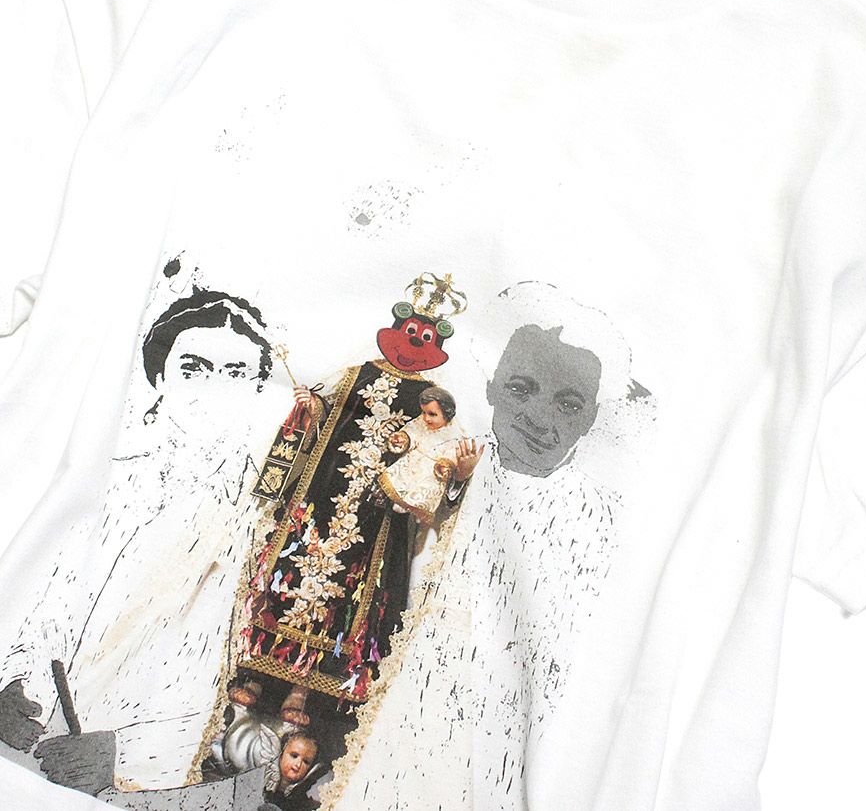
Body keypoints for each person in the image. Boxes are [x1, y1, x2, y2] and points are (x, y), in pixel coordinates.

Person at [329, 282, 652, 811]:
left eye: (568, 404)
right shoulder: (450, 456)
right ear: (493, 387)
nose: (539, 418)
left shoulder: (602, 519)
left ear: (590, 419)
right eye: (522, 390)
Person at [0, 282, 275, 794]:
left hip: (122, 773)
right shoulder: (108, 477)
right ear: (160, 376)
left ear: (260, 387)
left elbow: (205, 669)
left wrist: (120, 754)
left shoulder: (255, 522)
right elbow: (45, 595)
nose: (212, 388)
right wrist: (10, 679)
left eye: (235, 373)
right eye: (194, 369)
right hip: (24, 738)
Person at [218, 275, 484, 776]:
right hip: (321, 496)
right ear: (396, 329)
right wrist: (312, 406)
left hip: (377, 518)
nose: (414, 342)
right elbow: (327, 415)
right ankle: (257, 672)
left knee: (345, 599)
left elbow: (440, 467)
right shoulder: (357, 373)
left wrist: (458, 475)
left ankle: (302, 689)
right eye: (411, 331)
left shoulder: (434, 403)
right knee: (291, 576)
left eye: (425, 337)